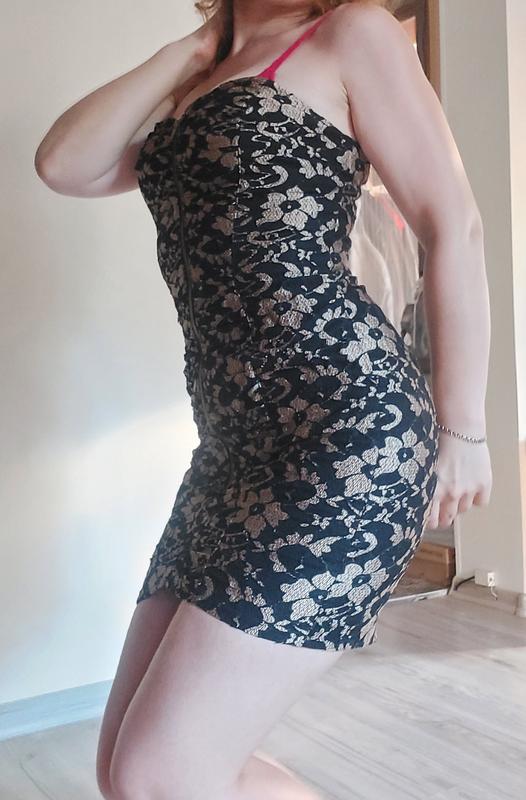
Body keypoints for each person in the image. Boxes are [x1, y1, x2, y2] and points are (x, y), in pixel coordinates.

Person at [35, 1, 492, 798]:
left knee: (159, 771)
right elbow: (64, 164)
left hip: (347, 428)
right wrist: (194, 49)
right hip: (230, 449)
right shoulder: (198, 75)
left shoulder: (349, 33)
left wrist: (465, 430)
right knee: (127, 771)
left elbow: (453, 224)